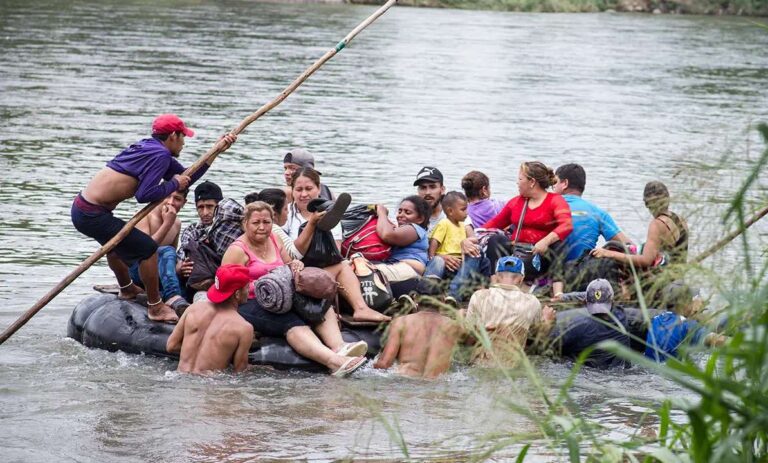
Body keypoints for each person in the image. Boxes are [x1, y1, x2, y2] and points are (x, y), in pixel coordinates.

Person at [71, 113, 236, 323]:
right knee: (148, 249)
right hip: (90, 213)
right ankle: (155, 306)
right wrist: (175, 184)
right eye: (183, 137)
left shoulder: (152, 149)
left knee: (116, 245)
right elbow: (144, 195)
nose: (184, 143)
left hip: (86, 209)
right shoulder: (160, 155)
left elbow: (187, 176)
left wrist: (215, 151)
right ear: (173, 136)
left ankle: (127, 288)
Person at [222, 202, 369, 377]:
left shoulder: (274, 239)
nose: (262, 227)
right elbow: (226, 285)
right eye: (256, 223)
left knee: (317, 299)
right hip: (249, 302)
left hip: (282, 295)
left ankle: (339, 346)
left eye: (266, 222)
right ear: (245, 223)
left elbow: (287, 264)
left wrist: (295, 264)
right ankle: (334, 362)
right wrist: (265, 283)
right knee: (290, 321)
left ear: (272, 223)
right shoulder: (236, 251)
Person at [550, 164, 632, 299]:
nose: (553, 188)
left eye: (555, 183)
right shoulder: (597, 212)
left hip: (555, 276)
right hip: (586, 273)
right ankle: (624, 291)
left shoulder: (548, 207)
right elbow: (628, 245)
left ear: (564, 183)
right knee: (616, 248)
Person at [480, 161, 573, 279]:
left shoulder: (555, 200)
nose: (517, 183)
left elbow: (567, 225)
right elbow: (493, 224)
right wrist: (470, 238)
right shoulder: (516, 202)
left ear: (532, 182)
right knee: (496, 239)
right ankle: (495, 282)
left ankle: (551, 286)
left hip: (538, 256)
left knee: (559, 244)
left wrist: (545, 241)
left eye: (520, 179)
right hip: (517, 252)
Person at [463, 256, 555, 367]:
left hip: (479, 364)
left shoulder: (479, 296)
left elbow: (468, 337)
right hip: (511, 368)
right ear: (521, 278)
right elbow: (537, 338)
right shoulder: (532, 302)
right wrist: (547, 320)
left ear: (496, 276)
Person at [166, 264, 254, 374]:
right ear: (237, 294)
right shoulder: (244, 328)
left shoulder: (193, 309)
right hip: (210, 385)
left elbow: (171, 346)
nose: (249, 290)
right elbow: (240, 370)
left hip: (178, 378)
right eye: (247, 287)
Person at [591, 181, 688, 268]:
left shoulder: (657, 224)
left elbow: (646, 261)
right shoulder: (680, 219)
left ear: (646, 203)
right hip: (678, 275)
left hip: (664, 278)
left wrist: (608, 253)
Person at [543, 279, 631, 369]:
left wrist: (547, 322)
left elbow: (544, 346)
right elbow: (597, 295)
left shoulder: (580, 326)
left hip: (588, 375)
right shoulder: (621, 315)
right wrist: (564, 297)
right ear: (612, 301)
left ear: (585, 301)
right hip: (618, 375)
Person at [129, 190, 190, 314]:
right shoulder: (145, 217)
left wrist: (178, 267)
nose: (170, 202)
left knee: (185, 278)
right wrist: (167, 223)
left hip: (159, 274)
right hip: (139, 270)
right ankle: (172, 295)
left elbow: (171, 257)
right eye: (167, 196)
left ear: (184, 203)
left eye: (177, 199)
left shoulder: (177, 223)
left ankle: (160, 296)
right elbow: (144, 251)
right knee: (168, 250)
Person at [373, 295, 462, 379]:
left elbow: (384, 365)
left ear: (416, 299)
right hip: (438, 386)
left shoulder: (400, 322)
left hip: (405, 384)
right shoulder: (454, 326)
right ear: (443, 301)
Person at [644, 281, 727, 362]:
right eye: (693, 298)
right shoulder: (687, 326)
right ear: (685, 303)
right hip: (670, 374)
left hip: (649, 370)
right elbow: (718, 340)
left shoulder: (656, 319)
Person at [282, 167, 347, 246]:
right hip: (293, 255)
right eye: (299, 190)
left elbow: (336, 249)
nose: (304, 194)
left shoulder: (331, 214)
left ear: (319, 188)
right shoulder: (286, 212)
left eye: (309, 189)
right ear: (292, 191)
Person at [374, 196, 432, 283]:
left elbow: (387, 235)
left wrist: (382, 213)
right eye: (400, 211)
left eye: (407, 212)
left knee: (365, 270)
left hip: (409, 269)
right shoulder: (401, 230)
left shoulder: (415, 229)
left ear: (420, 219)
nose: (401, 215)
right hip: (395, 267)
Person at [424, 191, 468, 280]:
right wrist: (432, 257)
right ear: (450, 211)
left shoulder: (463, 226)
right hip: (446, 260)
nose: (466, 213)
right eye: (463, 210)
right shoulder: (444, 223)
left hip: (459, 261)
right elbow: (434, 240)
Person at [177, 180, 224, 263]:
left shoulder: (228, 228)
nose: (205, 213)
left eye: (210, 206)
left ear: (219, 206)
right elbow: (183, 255)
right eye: (201, 207)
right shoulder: (191, 230)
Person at [414, 166, 446, 234]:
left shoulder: (454, 215)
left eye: (432, 187)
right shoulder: (411, 216)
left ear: (442, 190)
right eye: (423, 187)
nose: (427, 192)